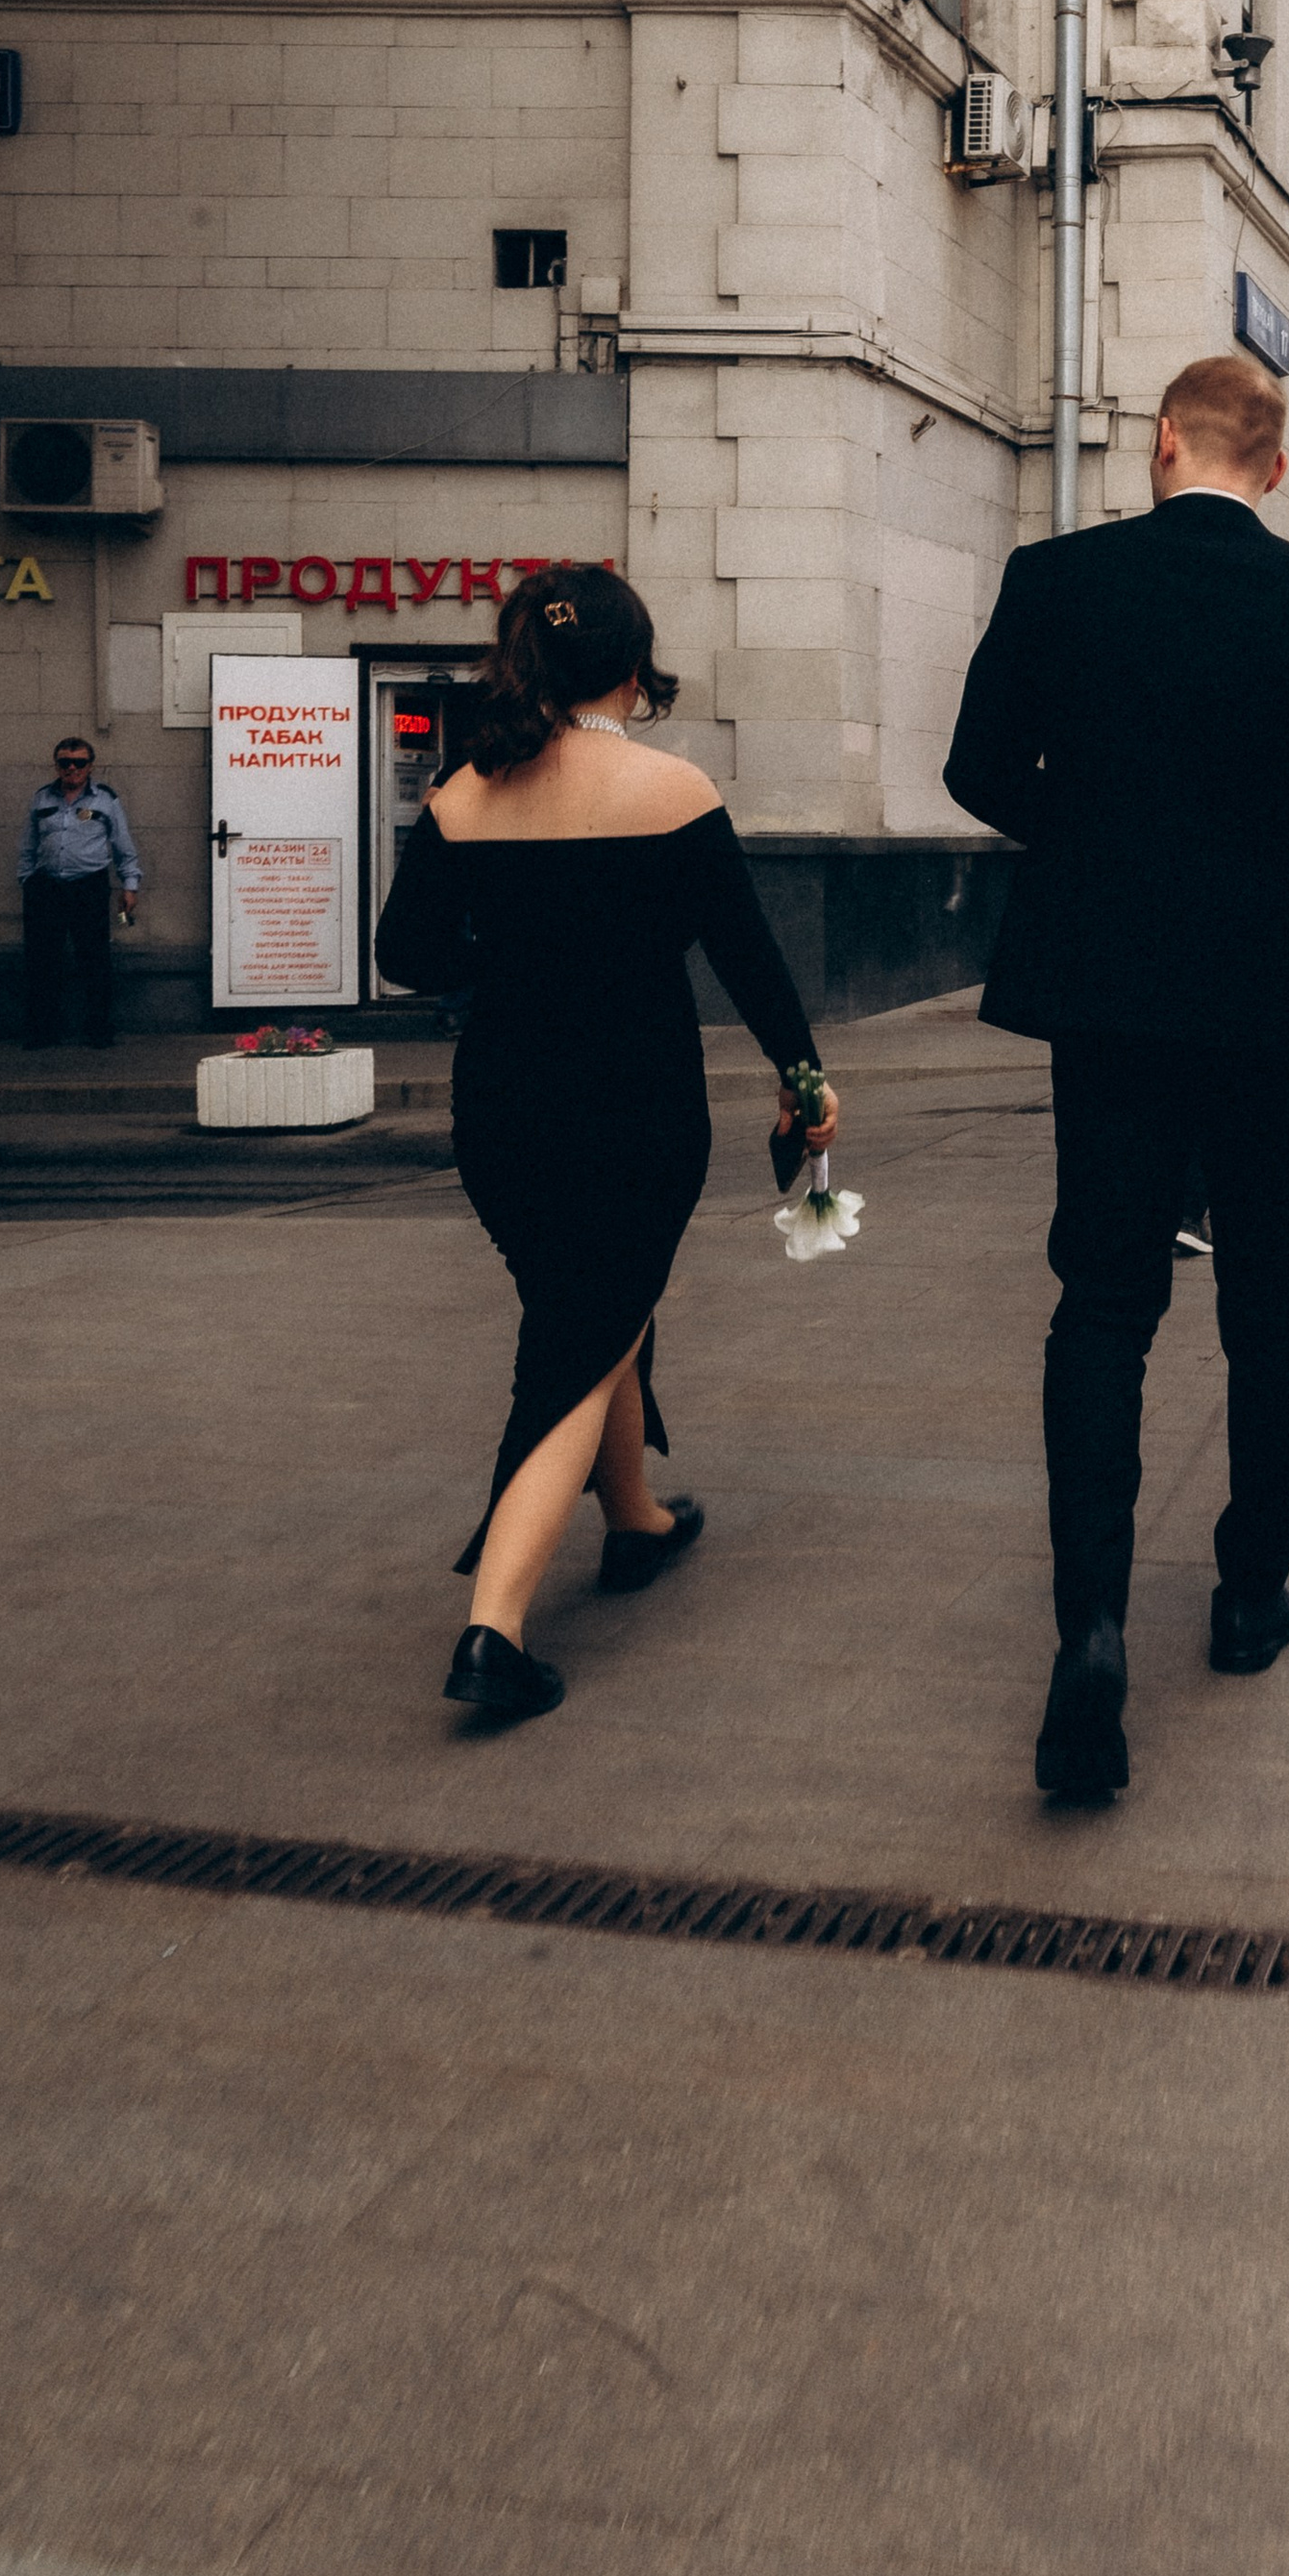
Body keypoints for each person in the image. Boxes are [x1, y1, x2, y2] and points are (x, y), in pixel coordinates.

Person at [944, 352, 1289, 1801]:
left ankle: (1090, 1626)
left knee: (1103, 1302)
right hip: (1268, 997)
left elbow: (977, 767)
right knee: (1271, 1301)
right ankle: (1246, 1590)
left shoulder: (1056, 580)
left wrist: (1090, 833)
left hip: (1106, 994)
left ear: (1163, 448)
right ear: (1275, 469)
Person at [375, 563, 834, 1724]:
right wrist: (804, 1080)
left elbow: (409, 953)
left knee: (589, 1307)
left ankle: (633, 1519)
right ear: (633, 665)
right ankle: (495, 1629)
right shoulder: (670, 789)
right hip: (635, 1104)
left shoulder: (462, 793)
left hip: (502, 1108)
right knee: (584, 1331)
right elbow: (748, 958)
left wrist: (516, 945)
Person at [19, 736, 139, 1048]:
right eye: (65, 762)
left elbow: (123, 846)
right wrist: (27, 880)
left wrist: (130, 885)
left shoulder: (105, 800)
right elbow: (28, 846)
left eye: (79, 762)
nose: (72, 768)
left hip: (88, 886)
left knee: (94, 960)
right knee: (42, 962)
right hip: (47, 888)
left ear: (90, 766)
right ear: (56, 765)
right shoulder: (42, 798)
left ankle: (98, 1030)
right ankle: (43, 1031)